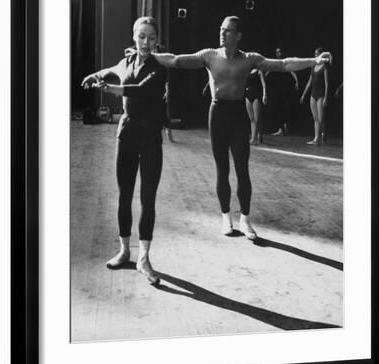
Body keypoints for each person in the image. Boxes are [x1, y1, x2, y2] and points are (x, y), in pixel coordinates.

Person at [152, 16, 331, 238]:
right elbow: (176, 60)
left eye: (227, 30)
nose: (222, 33)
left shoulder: (249, 59)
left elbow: (284, 64)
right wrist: (148, 55)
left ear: (238, 36)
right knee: (222, 170)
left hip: (237, 115)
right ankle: (226, 218)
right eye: (221, 29)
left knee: (242, 170)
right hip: (217, 114)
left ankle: (245, 220)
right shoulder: (209, 56)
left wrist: (314, 61)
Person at [81, 16, 167, 285]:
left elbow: (137, 90)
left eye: (151, 37)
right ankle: (124, 250)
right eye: (142, 36)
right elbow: (113, 69)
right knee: (124, 196)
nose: (146, 42)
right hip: (127, 133)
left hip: (150, 136)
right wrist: (95, 75)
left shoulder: (158, 68)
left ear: (156, 40)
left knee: (147, 198)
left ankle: (144, 258)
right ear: (134, 36)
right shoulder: (125, 62)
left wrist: (108, 88)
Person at [300, 47, 330, 145]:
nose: (315, 55)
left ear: (321, 55)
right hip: (313, 94)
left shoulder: (324, 67)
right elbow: (309, 81)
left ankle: (322, 134)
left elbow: (327, 83)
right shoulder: (313, 66)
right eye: (315, 54)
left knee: (321, 118)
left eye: (317, 54)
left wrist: (326, 97)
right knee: (315, 118)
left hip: (321, 94)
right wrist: (304, 94)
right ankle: (316, 138)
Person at [266, 47, 299, 136]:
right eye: (276, 52)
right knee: (277, 107)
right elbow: (270, 69)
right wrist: (264, 77)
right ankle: (281, 128)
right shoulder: (275, 62)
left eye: (279, 52)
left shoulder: (285, 61)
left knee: (284, 107)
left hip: (284, 87)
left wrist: (297, 81)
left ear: (282, 53)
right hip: (277, 87)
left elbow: (292, 71)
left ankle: (284, 126)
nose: (278, 54)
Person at [245, 68, 267, 145]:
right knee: (252, 118)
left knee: (257, 118)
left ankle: (256, 137)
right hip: (248, 94)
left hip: (256, 95)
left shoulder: (259, 71)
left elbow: (264, 84)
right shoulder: (247, 71)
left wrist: (264, 95)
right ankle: (254, 137)